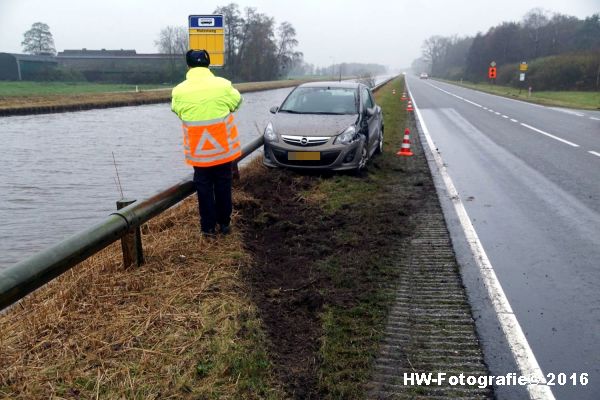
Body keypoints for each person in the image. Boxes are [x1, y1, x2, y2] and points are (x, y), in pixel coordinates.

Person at [171, 49, 243, 236]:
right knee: (223, 185)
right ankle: (225, 224)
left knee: (203, 189)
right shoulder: (223, 85)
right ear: (208, 64)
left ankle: (208, 228)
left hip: (199, 152)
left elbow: (177, 111)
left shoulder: (179, 91)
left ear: (188, 66)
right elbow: (237, 102)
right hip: (222, 149)